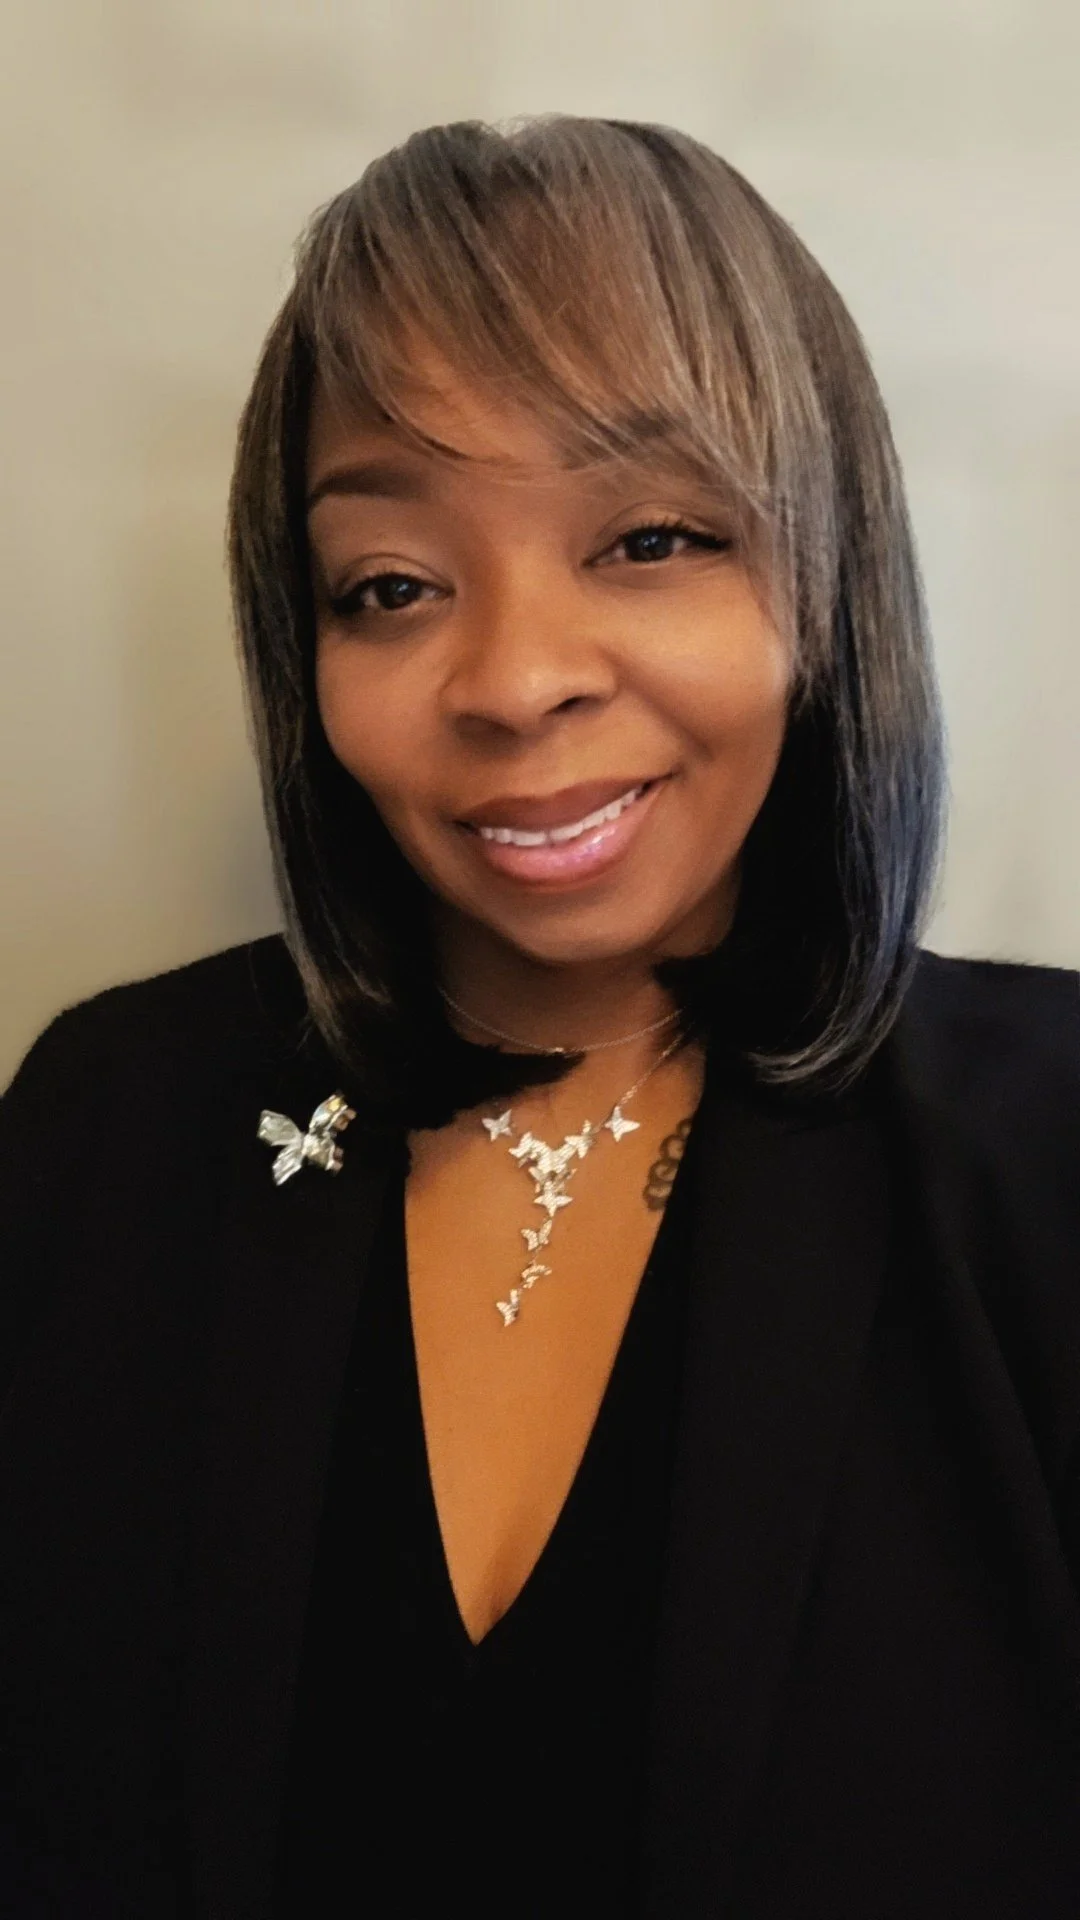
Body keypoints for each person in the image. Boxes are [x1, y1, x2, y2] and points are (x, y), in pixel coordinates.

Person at [1, 114, 1078, 1920]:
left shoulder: (1047, 1158)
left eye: (650, 536)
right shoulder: (110, 1124)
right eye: (394, 587)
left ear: (820, 577)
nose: (510, 681)